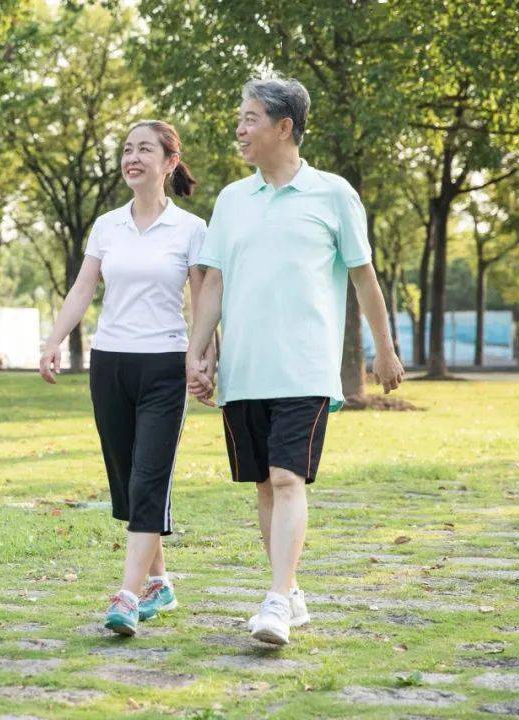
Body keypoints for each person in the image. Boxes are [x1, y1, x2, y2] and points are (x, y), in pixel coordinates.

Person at [186, 77, 405, 646]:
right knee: (262, 483)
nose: (239, 128)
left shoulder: (334, 194)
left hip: (305, 367)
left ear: (285, 127)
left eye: (251, 118)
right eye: (240, 117)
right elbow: (212, 285)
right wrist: (198, 353)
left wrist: (384, 349)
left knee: (287, 477)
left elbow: (363, 276)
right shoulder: (232, 199)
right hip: (244, 371)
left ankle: (278, 601)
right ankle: (292, 591)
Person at [39, 120, 211, 636]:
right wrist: (53, 342)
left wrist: (202, 358)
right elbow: (82, 289)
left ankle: (128, 595)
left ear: (169, 162)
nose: (132, 158)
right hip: (109, 364)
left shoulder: (191, 229)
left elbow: (203, 300)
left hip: (164, 363)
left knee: (148, 478)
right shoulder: (106, 226)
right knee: (127, 482)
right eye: (127, 149)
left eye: (144, 149)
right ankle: (161, 583)